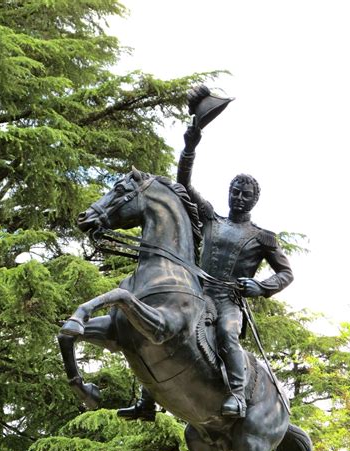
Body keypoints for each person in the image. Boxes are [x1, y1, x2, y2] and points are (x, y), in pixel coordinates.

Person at [118, 90, 293, 420]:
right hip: (196, 291)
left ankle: (239, 396)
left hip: (228, 300)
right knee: (158, 323)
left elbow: (286, 273)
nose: (239, 197)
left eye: (246, 194)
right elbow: (183, 183)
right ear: (229, 193)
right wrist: (190, 146)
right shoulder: (211, 217)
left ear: (255, 200)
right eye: (235, 192)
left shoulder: (263, 236)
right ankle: (147, 401)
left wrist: (262, 287)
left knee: (227, 334)